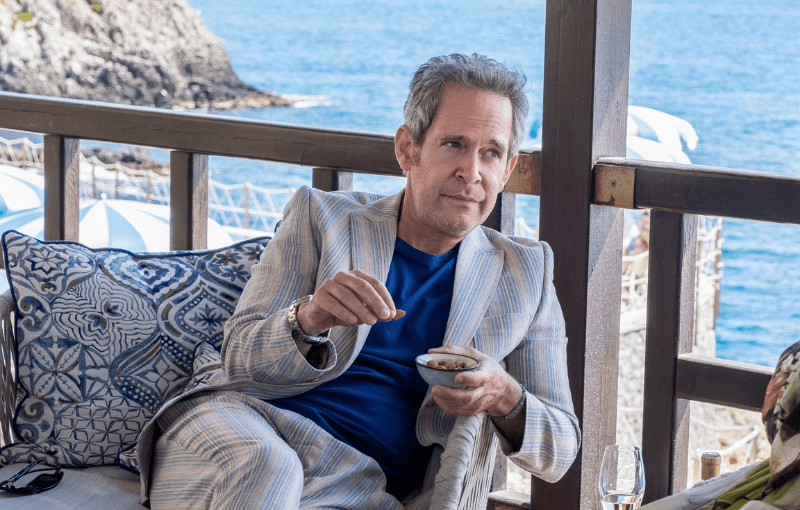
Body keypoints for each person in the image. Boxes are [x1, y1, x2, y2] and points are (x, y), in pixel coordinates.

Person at [139, 53, 580, 509]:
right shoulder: (321, 217)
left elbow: (562, 448)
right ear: (408, 148)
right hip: (243, 429)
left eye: (491, 152)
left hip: (356, 482)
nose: (472, 172)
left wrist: (503, 394)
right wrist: (307, 319)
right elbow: (239, 358)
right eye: (454, 144)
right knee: (271, 468)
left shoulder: (526, 273)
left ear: (507, 170)